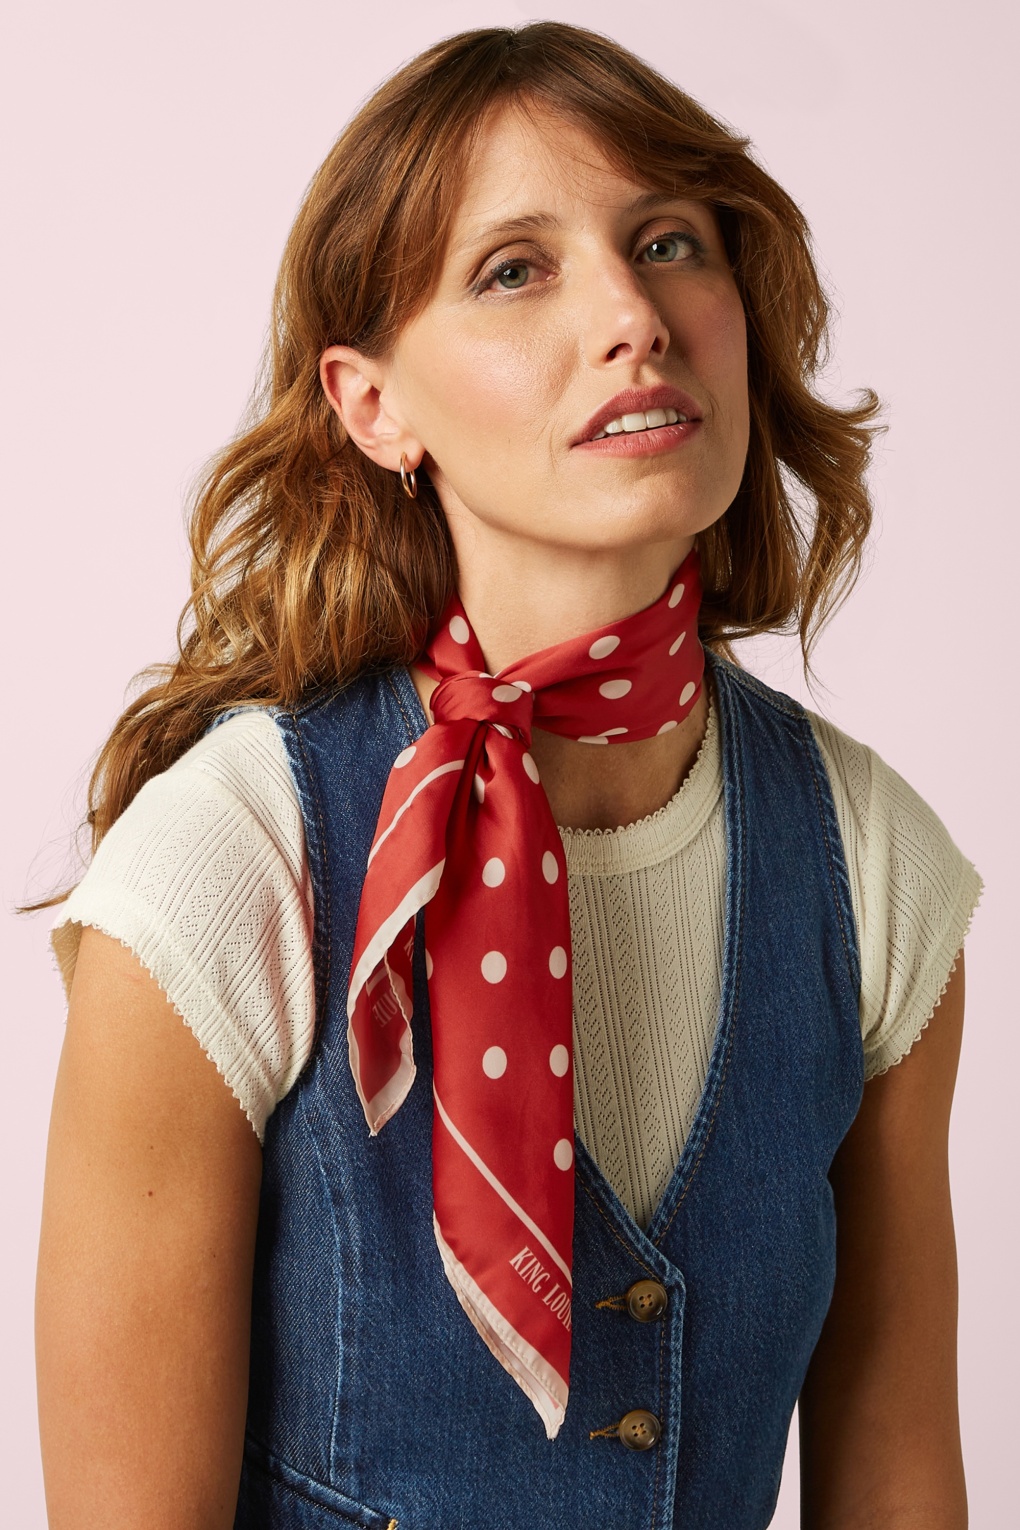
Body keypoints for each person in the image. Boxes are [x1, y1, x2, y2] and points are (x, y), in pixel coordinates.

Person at [34, 21, 981, 1530]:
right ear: (374, 406)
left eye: (667, 242)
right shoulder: (229, 861)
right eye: (515, 269)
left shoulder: (874, 864)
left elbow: (900, 1478)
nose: (633, 317)